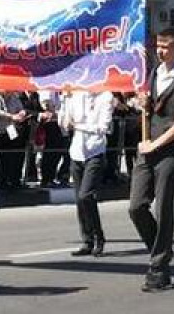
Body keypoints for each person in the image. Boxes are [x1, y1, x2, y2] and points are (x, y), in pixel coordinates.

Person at [129, 28, 174, 292]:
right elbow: (148, 107)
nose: (160, 51)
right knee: (136, 207)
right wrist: (142, 103)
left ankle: (158, 268)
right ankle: (163, 250)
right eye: (158, 46)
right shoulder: (153, 74)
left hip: (168, 150)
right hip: (147, 148)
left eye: (166, 47)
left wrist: (156, 143)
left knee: (163, 208)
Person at [59, 90, 114, 257]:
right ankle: (87, 240)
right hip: (77, 152)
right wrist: (65, 101)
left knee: (86, 196)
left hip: (95, 151)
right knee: (79, 200)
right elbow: (64, 124)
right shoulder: (76, 95)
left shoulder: (106, 96)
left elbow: (103, 128)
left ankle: (99, 236)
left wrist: (78, 126)